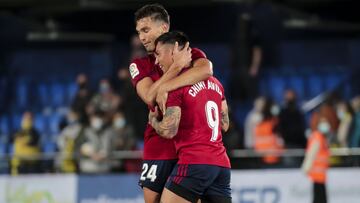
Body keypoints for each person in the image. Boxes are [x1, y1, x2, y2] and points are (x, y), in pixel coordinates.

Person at [130, 4, 213, 203]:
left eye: (146, 30)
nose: (141, 37)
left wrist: (164, 87)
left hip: (189, 147)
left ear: (164, 28)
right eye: (139, 32)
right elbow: (150, 96)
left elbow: (206, 70)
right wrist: (176, 67)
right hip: (158, 146)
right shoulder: (139, 64)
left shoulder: (192, 53)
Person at [149, 31, 231, 203]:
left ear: (174, 51)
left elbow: (169, 131)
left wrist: (154, 122)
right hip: (221, 165)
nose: (156, 61)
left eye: (158, 54)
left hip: (194, 162)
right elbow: (225, 124)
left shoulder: (176, 85)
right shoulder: (217, 83)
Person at [302, 115, 330, 203]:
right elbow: (311, 154)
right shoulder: (317, 137)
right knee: (319, 199)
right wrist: (306, 167)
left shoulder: (321, 137)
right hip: (316, 175)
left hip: (320, 175)